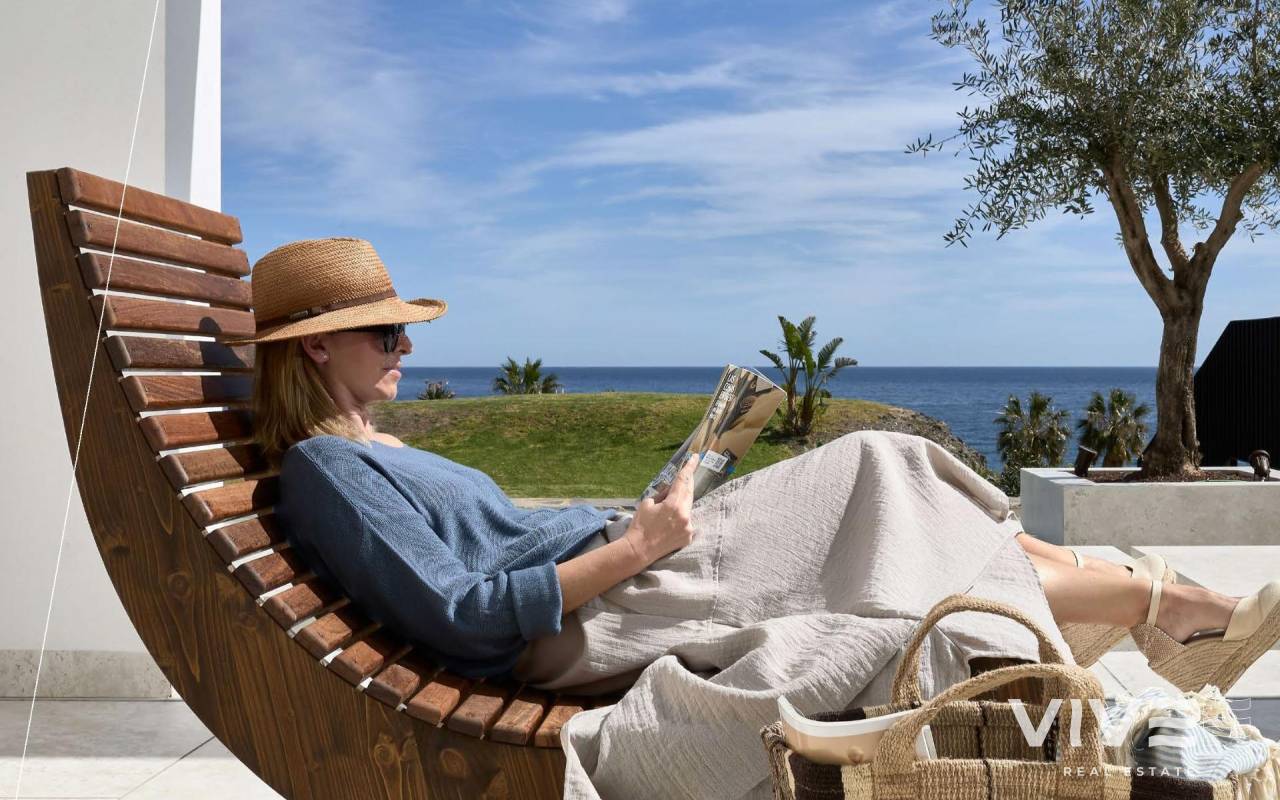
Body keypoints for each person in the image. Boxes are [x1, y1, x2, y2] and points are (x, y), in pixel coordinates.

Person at [227, 237, 1280, 697]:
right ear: (314, 348)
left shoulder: (376, 449)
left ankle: (1159, 600)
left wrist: (643, 512)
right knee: (881, 467)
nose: (406, 346)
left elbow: (497, 552)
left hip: (622, 563)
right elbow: (464, 614)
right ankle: (1161, 601)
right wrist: (637, 543)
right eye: (385, 333)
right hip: (595, 614)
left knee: (900, 486)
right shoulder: (328, 472)